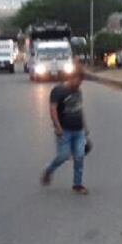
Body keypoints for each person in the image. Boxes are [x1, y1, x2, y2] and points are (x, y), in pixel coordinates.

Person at [41, 66, 89, 195]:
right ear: (72, 78)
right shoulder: (58, 91)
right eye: (78, 81)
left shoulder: (78, 91)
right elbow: (53, 110)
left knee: (79, 156)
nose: (79, 84)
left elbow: (80, 110)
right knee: (63, 156)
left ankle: (77, 185)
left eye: (81, 82)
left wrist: (85, 129)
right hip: (65, 131)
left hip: (78, 131)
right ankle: (49, 170)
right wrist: (58, 127)